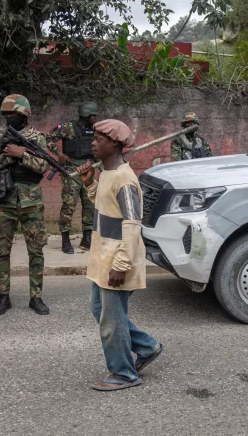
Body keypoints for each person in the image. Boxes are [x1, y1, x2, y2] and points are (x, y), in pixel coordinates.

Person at [76, 119, 164, 391]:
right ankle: (147, 347)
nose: (93, 142)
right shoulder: (107, 174)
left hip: (117, 261)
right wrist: (90, 184)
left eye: (99, 139)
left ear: (114, 144)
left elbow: (131, 223)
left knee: (112, 320)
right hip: (104, 258)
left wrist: (121, 264)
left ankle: (124, 374)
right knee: (99, 309)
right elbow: (105, 209)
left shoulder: (125, 179)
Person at [0, 94, 51, 316]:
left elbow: (44, 166)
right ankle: (3, 297)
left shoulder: (37, 138)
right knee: (2, 251)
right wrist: (8, 156)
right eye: (6, 114)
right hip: (5, 201)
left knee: (36, 250)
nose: (9, 117)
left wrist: (22, 154)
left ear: (24, 114)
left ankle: (36, 297)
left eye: (13, 113)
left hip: (32, 201)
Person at [47, 102, 98, 254]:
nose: (96, 118)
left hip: (89, 168)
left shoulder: (96, 130)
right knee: (69, 205)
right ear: (86, 116)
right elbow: (48, 138)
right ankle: (65, 239)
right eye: (93, 115)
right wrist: (59, 154)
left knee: (90, 205)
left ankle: (87, 238)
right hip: (71, 170)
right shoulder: (67, 127)